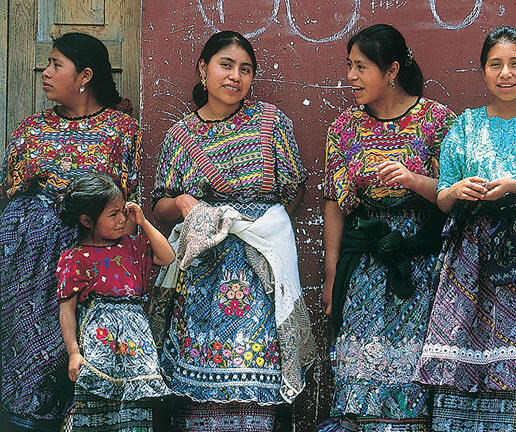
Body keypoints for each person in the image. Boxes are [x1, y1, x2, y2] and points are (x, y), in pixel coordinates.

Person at [413, 26, 516, 431]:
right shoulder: (466, 126)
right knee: (461, 346)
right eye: (495, 64)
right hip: (468, 257)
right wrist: (458, 189)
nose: (506, 73)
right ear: (483, 71)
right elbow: (441, 198)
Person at [152, 30, 315, 432]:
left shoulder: (271, 122)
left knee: (257, 361)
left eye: (245, 70)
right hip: (204, 267)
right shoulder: (180, 137)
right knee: (202, 360)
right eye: (226, 65)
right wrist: (183, 203)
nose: (235, 77)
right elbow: (159, 205)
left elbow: (292, 188)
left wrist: (259, 229)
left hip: (261, 265)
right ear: (203, 68)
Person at [0, 32, 141, 431]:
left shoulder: (121, 131)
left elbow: (127, 203)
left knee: (73, 351)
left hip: (83, 259)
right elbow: (6, 189)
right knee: (22, 350)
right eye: (47, 64)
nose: (45, 73)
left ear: (85, 76)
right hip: (22, 264)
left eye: (55, 65)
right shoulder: (31, 129)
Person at [320, 24, 456, 431]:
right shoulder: (344, 127)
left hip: (418, 262)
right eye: (349, 66)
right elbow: (333, 200)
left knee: (413, 372)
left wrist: (415, 181)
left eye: (361, 67)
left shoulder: (436, 121)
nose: (351, 77)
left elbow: (454, 195)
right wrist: (331, 276)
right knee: (360, 374)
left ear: (392, 69)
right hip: (362, 267)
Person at [56, 173, 173, 431]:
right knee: (97, 403)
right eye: (113, 215)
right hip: (99, 348)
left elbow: (167, 257)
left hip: (136, 348)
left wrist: (142, 221)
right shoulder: (76, 259)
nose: (122, 220)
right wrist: (74, 353)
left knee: (135, 406)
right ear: (86, 220)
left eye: (123, 212)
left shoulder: (133, 246)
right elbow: (68, 311)